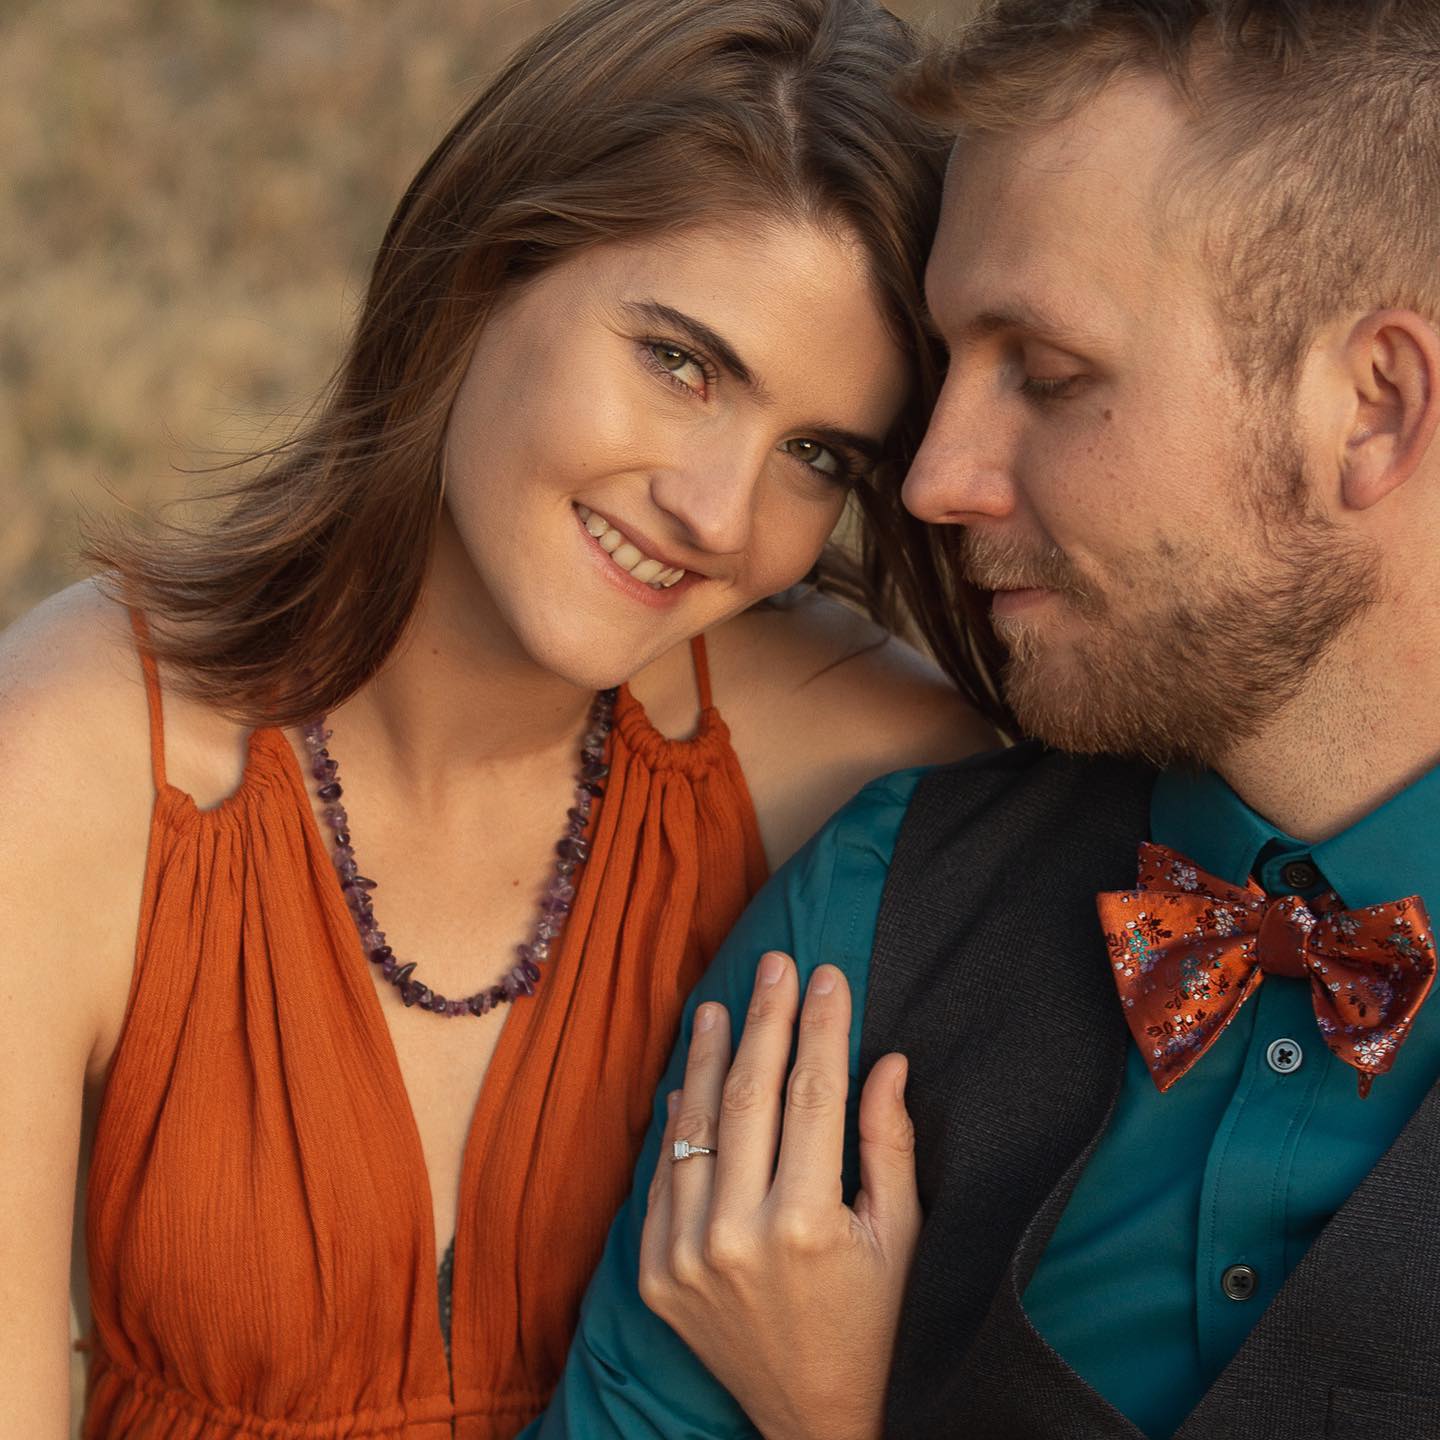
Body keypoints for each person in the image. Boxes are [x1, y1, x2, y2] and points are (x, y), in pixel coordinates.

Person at [0, 2, 1007, 1435]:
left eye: (814, 455)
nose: (719, 514)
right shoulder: (75, 763)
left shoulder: (858, 765)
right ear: (483, 269)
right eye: (681, 362)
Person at [533, 1, 1440, 1437]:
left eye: (1050, 373)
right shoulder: (872, 915)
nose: (931, 478)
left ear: (1374, 409)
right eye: (948, 366)